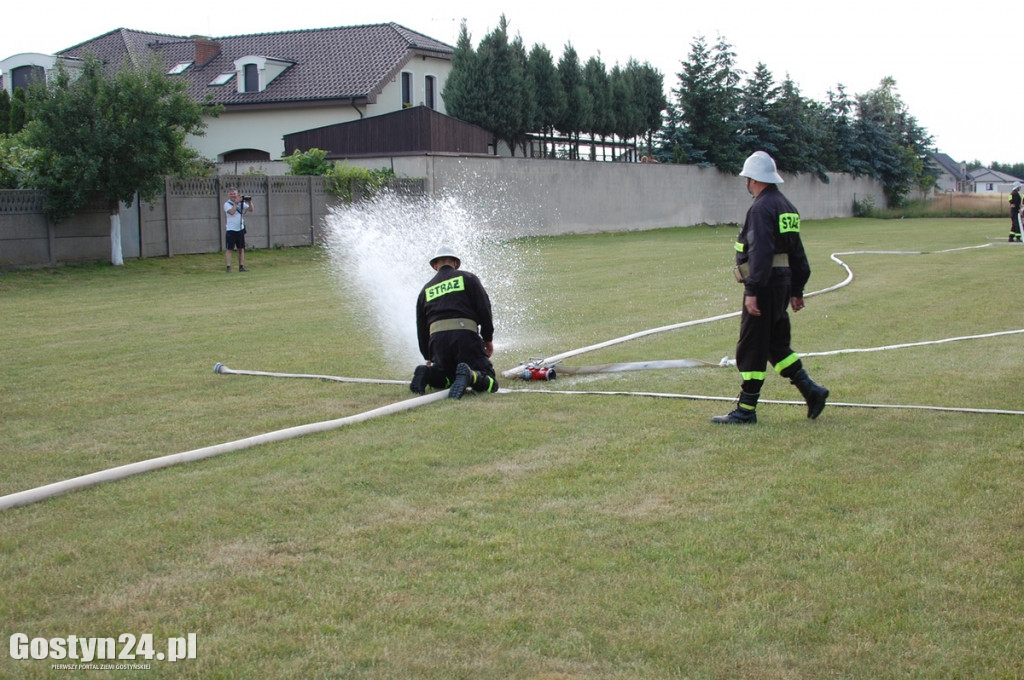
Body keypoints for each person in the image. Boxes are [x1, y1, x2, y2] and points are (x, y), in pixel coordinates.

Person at [712, 151, 829, 424]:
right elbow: (797, 253)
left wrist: (752, 291)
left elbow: (761, 253)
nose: (746, 183)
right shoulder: (787, 207)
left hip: (763, 286)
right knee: (775, 345)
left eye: (747, 178)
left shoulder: (761, 208)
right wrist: (797, 289)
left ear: (753, 179)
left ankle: (746, 410)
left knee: (751, 346)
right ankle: (811, 391)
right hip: (780, 286)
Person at [410, 246, 499, 399]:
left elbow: (421, 327)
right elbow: (484, 309)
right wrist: (487, 338)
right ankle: (471, 376)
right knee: (490, 380)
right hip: (465, 337)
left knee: (447, 377)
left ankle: (427, 374)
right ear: (456, 263)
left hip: (438, 342)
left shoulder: (425, 290)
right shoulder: (468, 278)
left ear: (435, 266)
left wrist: (428, 356)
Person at [224, 188, 253, 271]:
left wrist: (249, 201)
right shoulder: (227, 204)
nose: (233, 195)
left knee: (241, 248)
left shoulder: (241, 203)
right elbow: (232, 212)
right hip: (231, 229)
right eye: (231, 194)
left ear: (237, 194)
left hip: (240, 228)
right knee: (229, 249)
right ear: (229, 195)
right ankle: (228, 267)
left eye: (235, 194)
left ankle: (241, 266)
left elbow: (251, 210)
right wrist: (236, 203)